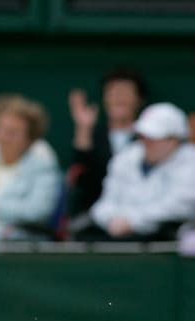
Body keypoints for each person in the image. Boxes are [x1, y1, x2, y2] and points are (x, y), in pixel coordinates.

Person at [70, 103, 195, 242]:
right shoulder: (127, 156)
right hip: (118, 233)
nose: (146, 142)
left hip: (167, 238)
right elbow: (106, 202)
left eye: (154, 138)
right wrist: (112, 220)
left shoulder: (190, 161)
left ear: (174, 140)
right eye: (143, 136)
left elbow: (179, 206)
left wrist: (133, 221)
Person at [0, 94, 62, 251]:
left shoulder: (42, 162)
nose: (3, 138)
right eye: (1, 130)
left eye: (12, 133)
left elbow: (38, 210)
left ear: (29, 139)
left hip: (10, 238)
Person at [67, 67, 147, 216]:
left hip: (139, 215)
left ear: (139, 99)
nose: (118, 98)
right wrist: (83, 129)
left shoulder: (149, 137)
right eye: (112, 92)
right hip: (94, 217)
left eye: (125, 92)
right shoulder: (93, 135)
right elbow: (80, 179)